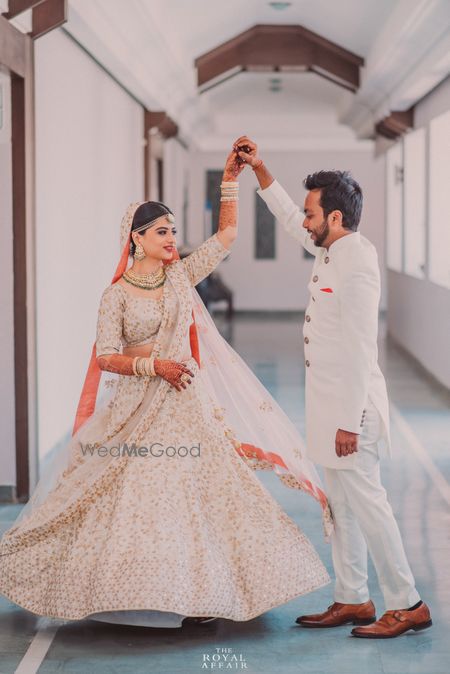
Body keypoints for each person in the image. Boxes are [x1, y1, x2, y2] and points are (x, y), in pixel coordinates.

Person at [0, 146, 332, 629]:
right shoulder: (115, 295)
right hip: (136, 411)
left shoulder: (180, 277)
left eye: (174, 231)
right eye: (162, 232)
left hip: (187, 407)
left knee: (201, 496)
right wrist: (156, 365)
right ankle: (125, 589)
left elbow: (228, 235)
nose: (172, 239)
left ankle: (200, 594)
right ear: (136, 240)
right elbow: (106, 355)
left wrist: (230, 180)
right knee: (131, 497)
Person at [235, 136, 432, 639]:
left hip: (352, 415)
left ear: (335, 218)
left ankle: (407, 603)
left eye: (310, 213)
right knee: (340, 507)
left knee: (370, 506)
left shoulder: (358, 263)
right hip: (327, 411)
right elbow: (285, 219)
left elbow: (362, 350)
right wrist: (260, 170)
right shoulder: (330, 250)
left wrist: (350, 421)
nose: (304, 220)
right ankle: (353, 598)